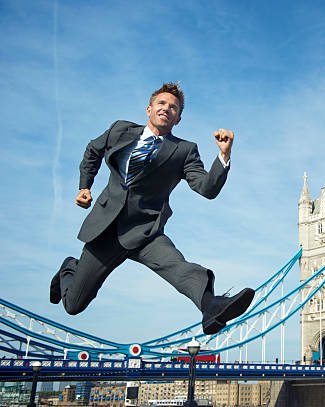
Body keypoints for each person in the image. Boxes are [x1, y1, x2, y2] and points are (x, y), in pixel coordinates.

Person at [50, 82, 254, 335]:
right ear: (149, 109)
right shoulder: (119, 130)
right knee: (73, 305)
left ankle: (211, 304)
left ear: (178, 119)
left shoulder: (184, 150)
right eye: (161, 104)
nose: (166, 109)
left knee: (177, 266)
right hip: (105, 230)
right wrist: (84, 186)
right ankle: (70, 267)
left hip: (145, 231)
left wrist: (224, 156)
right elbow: (93, 150)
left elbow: (206, 188)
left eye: (173, 108)